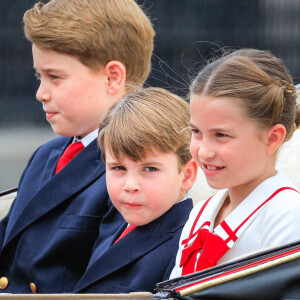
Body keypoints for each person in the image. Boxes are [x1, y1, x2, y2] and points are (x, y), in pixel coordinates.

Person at [0, 0, 154, 293]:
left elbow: (107, 284)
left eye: (55, 77)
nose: (40, 93)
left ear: (112, 77)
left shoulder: (134, 169)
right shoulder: (48, 155)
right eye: (39, 76)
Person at [170, 49, 300, 278]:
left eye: (221, 135)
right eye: (196, 132)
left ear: (272, 138)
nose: (204, 151)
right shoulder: (201, 212)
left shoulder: (288, 214)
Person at [74, 87, 198, 293]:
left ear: (187, 175)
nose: (130, 185)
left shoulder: (185, 246)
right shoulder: (115, 221)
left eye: (150, 169)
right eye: (118, 168)